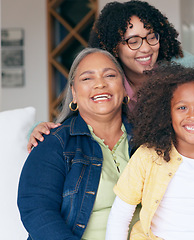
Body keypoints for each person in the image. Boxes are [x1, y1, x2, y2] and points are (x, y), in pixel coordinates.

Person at [27, 0, 194, 151]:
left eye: (151, 37)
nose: (146, 48)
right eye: (133, 41)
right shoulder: (105, 81)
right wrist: (38, 129)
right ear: (114, 47)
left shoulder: (182, 69)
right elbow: (73, 119)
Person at [105, 63, 194, 239]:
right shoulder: (147, 156)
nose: (193, 115)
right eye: (182, 107)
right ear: (167, 113)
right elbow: (120, 215)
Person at [17, 48, 136, 239]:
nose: (100, 84)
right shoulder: (54, 144)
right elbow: (37, 211)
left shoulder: (148, 139)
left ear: (123, 88)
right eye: (87, 78)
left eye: (110, 75)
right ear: (74, 92)